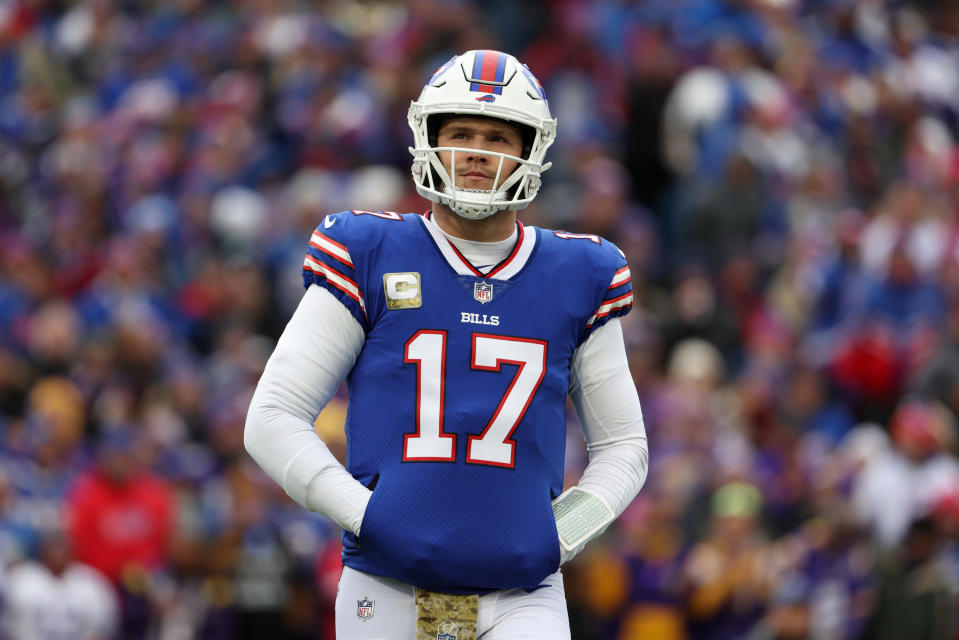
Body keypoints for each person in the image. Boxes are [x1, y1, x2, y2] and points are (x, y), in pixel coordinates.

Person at [245, 49, 649, 639]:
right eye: (460, 132)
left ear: (530, 150)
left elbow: (624, 445)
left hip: (523, 595)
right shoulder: (369, 251)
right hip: (386, 585)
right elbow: (272, 417)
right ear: (428, 139)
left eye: (497, 136)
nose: (478, 151)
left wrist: (563, 530)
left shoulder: (580, 272)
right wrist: (368, 517)